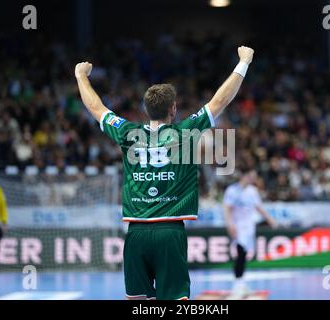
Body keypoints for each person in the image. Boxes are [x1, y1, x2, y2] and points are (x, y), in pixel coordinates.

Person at [75, 46, 254, 300]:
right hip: (170, 232)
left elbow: (96, 109)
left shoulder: (128, 133)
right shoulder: (185, 133)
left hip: (136, 233)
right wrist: (244, 62)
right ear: (173, 109)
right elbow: (220, 101)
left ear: (146, 111)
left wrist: (80, 76)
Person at [223, 169, 277, 298]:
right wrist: (230, 224)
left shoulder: (252, 191)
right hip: (238, 226)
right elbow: (226, 208)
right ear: (244, 175)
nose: (253, 178)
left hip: (249, 227)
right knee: (240, 253)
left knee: (245, 253)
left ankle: (241, 282)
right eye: (251, 176)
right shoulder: (232, 190)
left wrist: (270, 219)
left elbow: (258, 207)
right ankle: (237, 284)